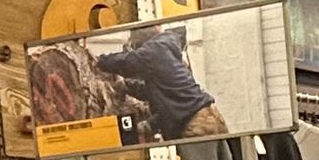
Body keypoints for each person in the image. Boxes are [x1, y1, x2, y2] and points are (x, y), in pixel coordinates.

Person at [94, 25, 227, 141]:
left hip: (197, 124)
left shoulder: (154, 49)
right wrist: (127, 86)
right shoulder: (165, 51)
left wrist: (98, 61)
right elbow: (156, 93)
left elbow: (126, 62)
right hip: (209, 117)